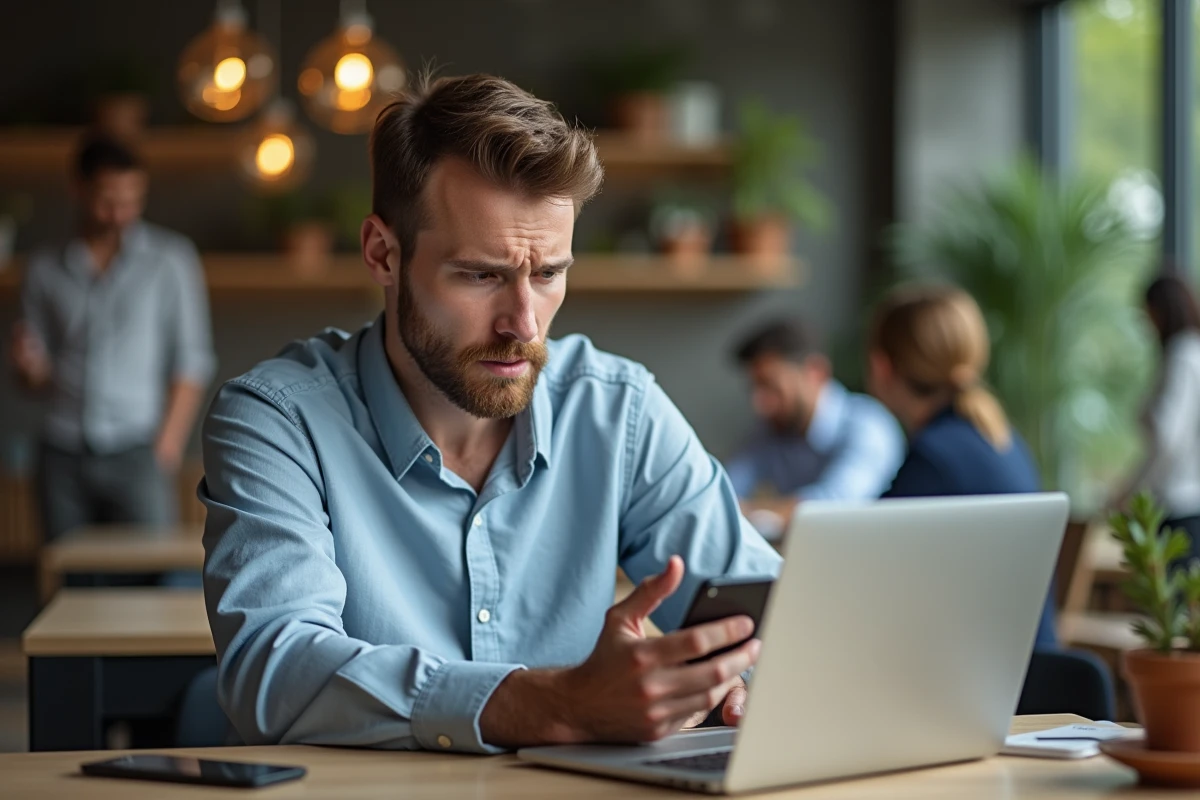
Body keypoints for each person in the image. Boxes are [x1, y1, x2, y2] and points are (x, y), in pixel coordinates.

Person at [199, 73, 781, 754]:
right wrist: (555, 706)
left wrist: (752, 679)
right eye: (481, 275)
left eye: (547, 274)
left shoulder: (616, 409)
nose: (523, 324)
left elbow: (764, 612)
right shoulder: (276, 420)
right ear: (382, 254)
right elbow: (275, 671)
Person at [11, 135, 215, 541]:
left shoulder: (171, 260)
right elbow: (34, 378)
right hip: (61, 450)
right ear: (78, 189)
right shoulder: (44, 268)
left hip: (139, 449)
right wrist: (28, 369)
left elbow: (192, 360)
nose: (120, 213)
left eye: (131, 200)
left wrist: (166, 448)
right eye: (107, 199)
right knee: (64, 577)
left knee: (154, 583)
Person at [866, 285, 1057, 649]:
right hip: (1030, 675)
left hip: (984, 690)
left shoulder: (935, 459)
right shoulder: (1003, 439)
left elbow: (867, 575)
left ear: (882, 367)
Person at [724, 319, 904, 523]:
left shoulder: (869, 426)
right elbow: (725, 494)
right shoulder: (769, 432)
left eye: (770, 386)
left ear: (815, 372)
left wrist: (753, 511)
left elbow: (835, 507)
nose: (760, 403)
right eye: (754, 388)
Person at [1111, 274, 1200, 562]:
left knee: (1170, 603)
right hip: (1186, 505)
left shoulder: (1182, 356)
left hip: (1178, 508)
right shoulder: (1191, 353)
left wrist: (1132, 492)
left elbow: (1167, 441)